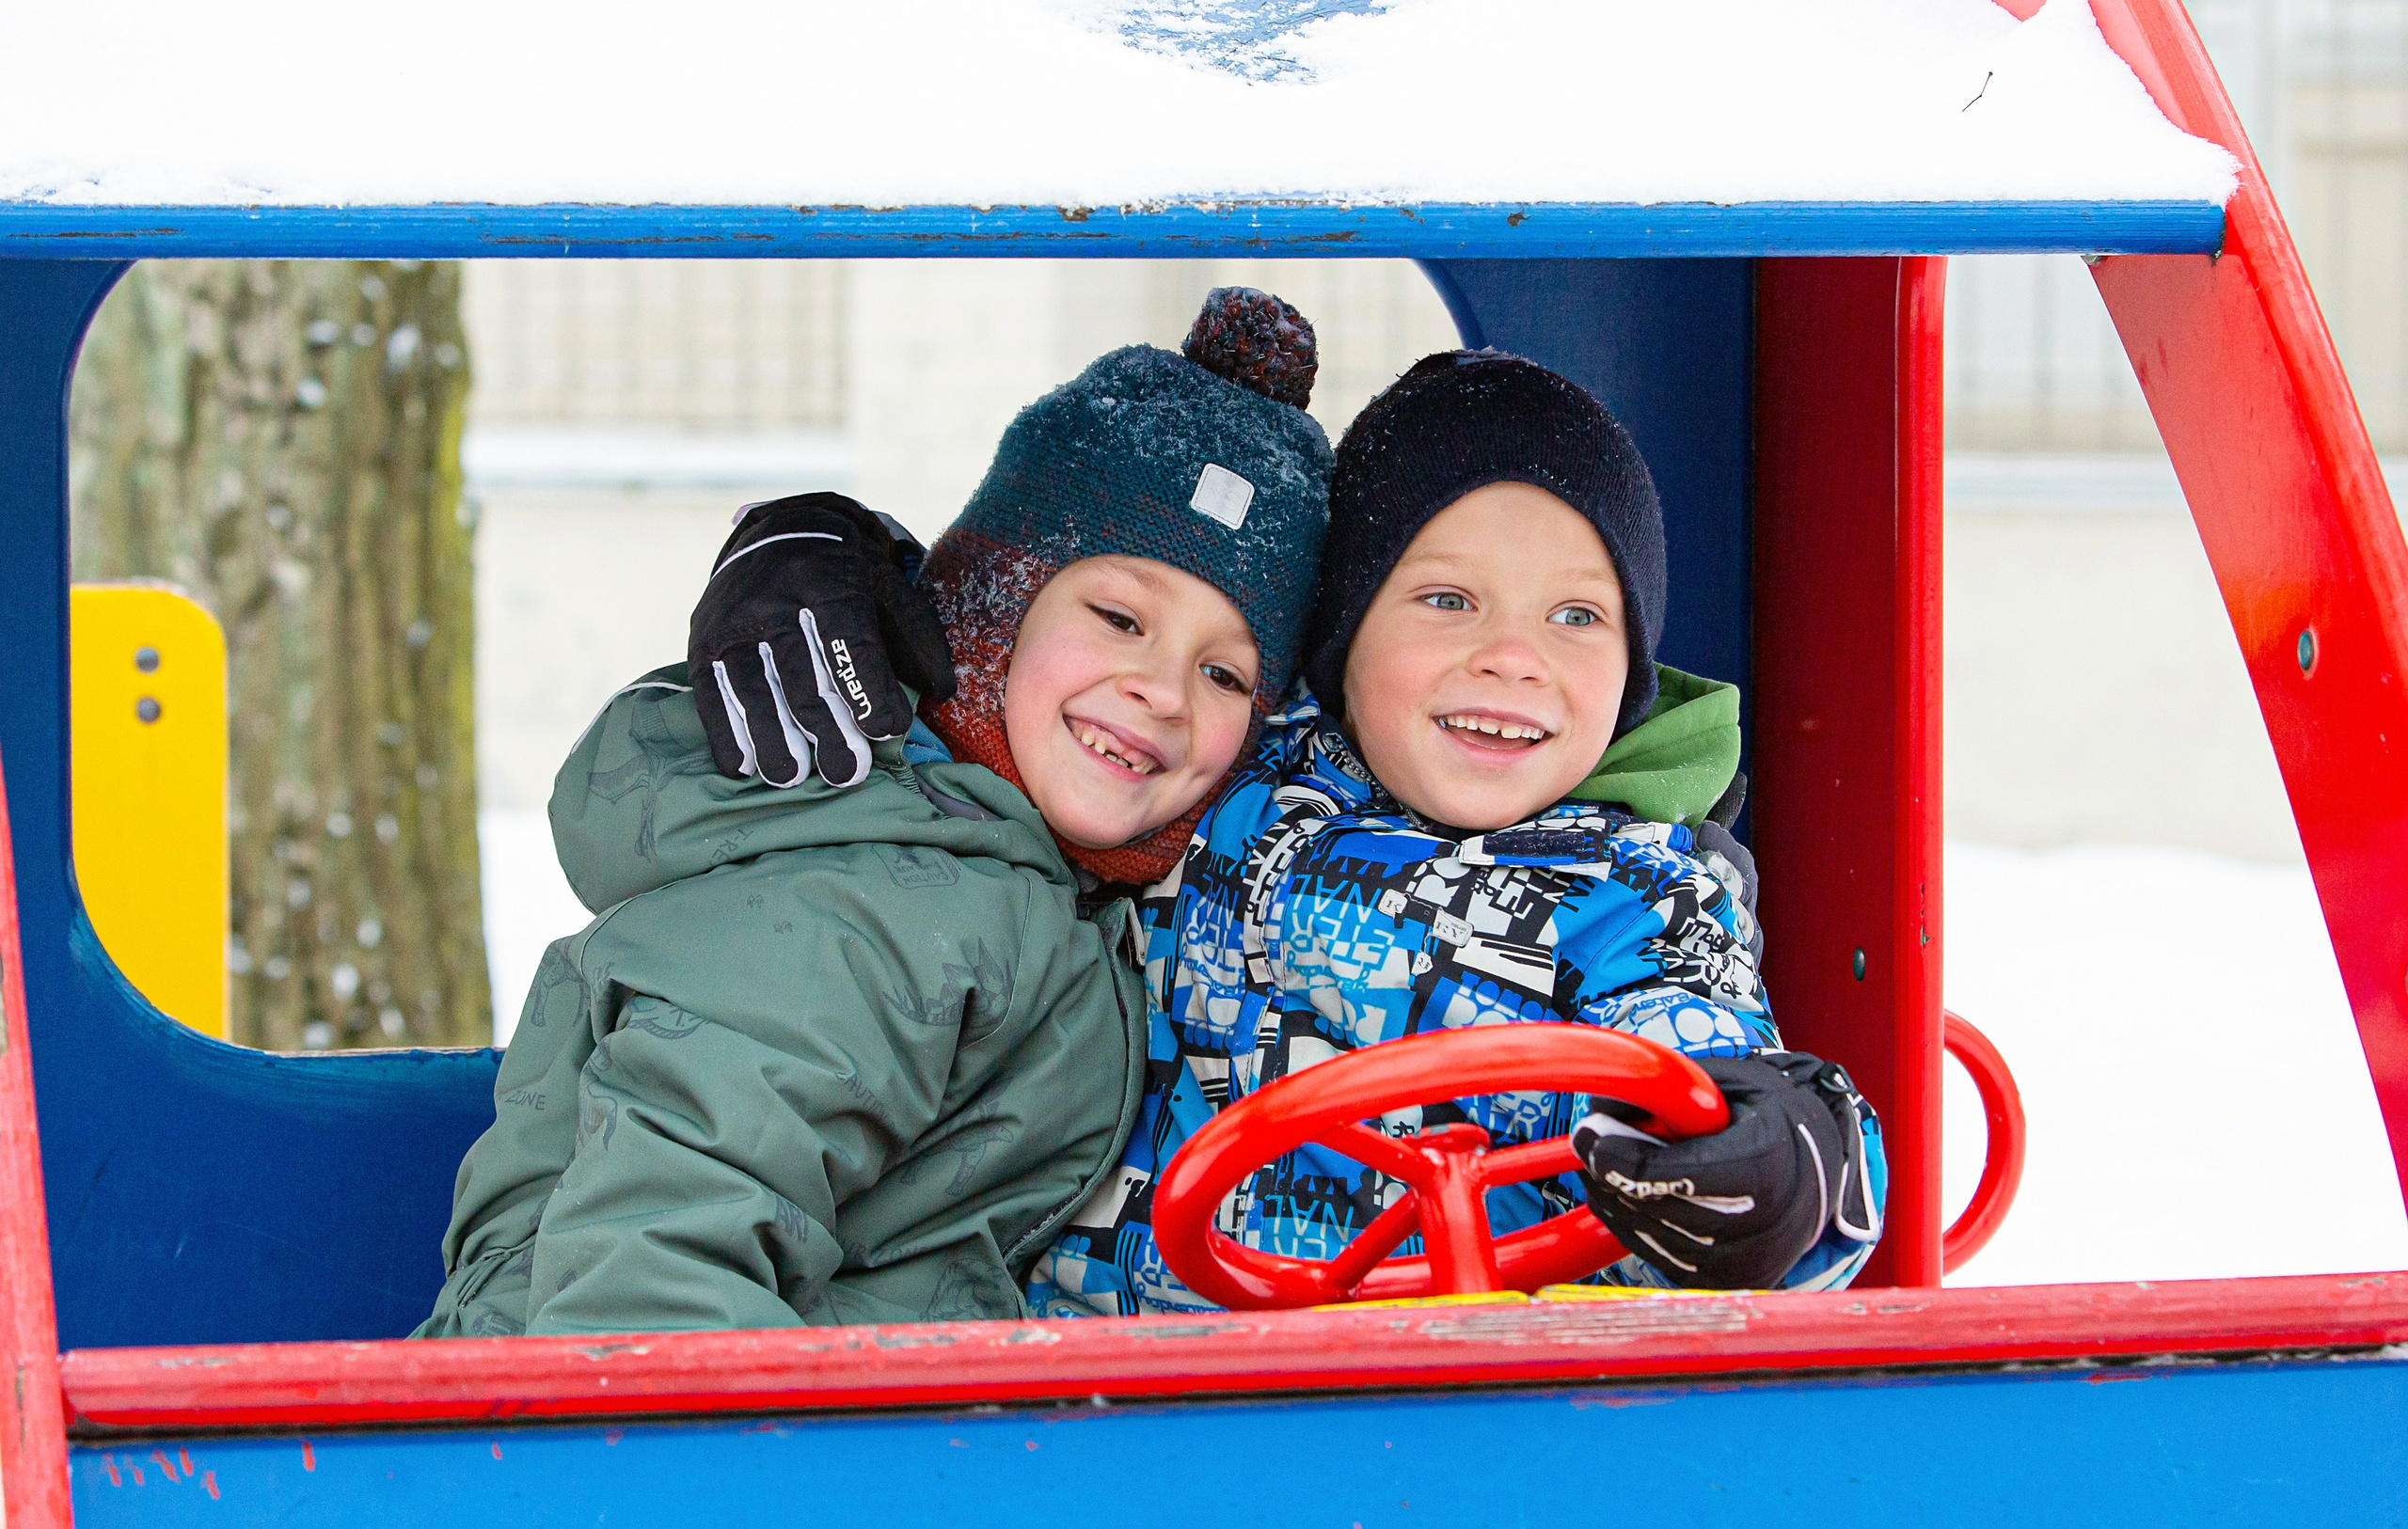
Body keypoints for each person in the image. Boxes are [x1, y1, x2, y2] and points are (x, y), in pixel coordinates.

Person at [697, 348, 1885, 1314]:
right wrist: (840, 560)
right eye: (1447, 599)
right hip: (1072, 1410)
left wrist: (1786, 1154)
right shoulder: (1230, 777)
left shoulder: (1643, 895)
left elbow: (1702, 1045)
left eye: (1578, 614)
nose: (1512, 655)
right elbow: (1031, 694)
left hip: (1460, 1410)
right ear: (1341, 641)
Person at [415, 289, 1332, 1336]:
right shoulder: (881, 899)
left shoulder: (1011, 873)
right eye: (1118, 617)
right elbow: (653, 1259)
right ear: (991, 609)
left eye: (1224, 674)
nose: (1164, 691)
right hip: (615, 1445)